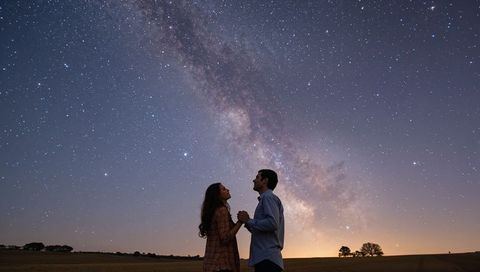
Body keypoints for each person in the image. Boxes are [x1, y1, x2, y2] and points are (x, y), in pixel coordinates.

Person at [237, 169, 285, 272]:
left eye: (257, 177)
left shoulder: (268, 198)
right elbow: (262, 230)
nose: (254, 180)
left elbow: (272, 224)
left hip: (267, 259)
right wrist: (246, 222)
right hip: (266, 259)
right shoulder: (266, 199)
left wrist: (249, 220)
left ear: (265, 181)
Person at [199, 183, 243, 272]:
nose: (228, 190)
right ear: (217, 195)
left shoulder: (214, 211)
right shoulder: (221, 210)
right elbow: (225, 238)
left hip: (212, 264)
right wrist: (240, 222)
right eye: (223, 189)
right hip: (221, 264)